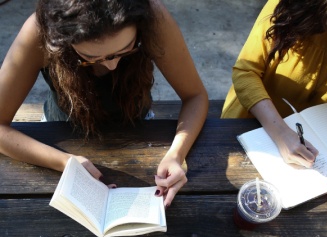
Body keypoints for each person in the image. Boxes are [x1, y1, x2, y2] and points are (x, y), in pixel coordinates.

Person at [0, 0, 209, 208]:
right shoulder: (40, 30)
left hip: (138, 126)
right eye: (91, 57)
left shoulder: (153, 16)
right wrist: (65, 162)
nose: (112, 65)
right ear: (60, 39)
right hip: (59, 133)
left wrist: (176, 155)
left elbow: (195, 96)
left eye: (126, 49)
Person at [221, 0, 327, 205]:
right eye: (324, 16)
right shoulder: (288, 6)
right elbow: (246, 72)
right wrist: (281, 133)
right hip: (254, 120)